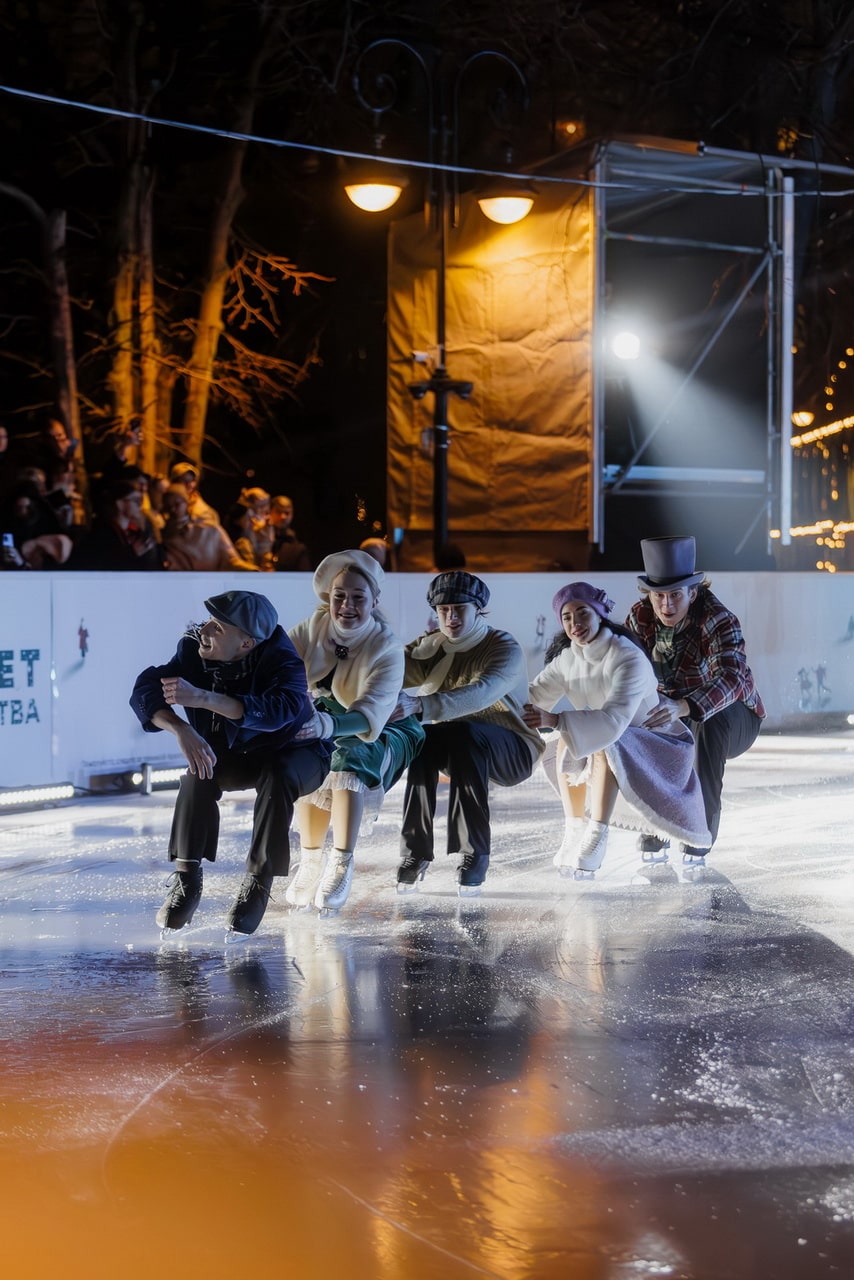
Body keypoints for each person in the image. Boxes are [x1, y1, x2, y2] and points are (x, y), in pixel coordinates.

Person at [130, 590, 331, 936]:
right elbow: (145, 688)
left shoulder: (283, 660)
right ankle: (186, 877)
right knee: (198, 771)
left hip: (299, 753)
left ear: (246, 643)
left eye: (218, 628)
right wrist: (180, 729)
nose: (205, 630)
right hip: (241, 754)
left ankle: (258, 881)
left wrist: (204, 698)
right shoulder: (193, 651)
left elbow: (276, 713)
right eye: (208, 621)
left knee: (277, 775)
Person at [524, 582, 710, 877]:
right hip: (617, 739)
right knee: (564, 740)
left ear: (599, 614)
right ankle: (574, 829)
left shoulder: (627, 657)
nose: (575, 624)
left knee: (598, 741)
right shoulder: (568, 659)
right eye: (567, 617)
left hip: (658, 745)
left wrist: (557, 719)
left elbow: (613, 722)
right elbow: (533, 697)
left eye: (582, 613)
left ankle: (596, 835)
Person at [286, 550, 424, 914]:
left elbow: (370, 713)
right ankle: (311, 859)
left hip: (384, 727)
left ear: (374, 601)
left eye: (357, 597)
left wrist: (325, 725)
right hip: (325, 717)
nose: (347, 605)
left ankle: (341, 863)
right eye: (339, 596)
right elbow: (281, 666)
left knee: (347, 761)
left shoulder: (386, 646)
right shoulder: (311, 628)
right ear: (327, 598)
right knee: (305, 759)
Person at [391, 571, 544, 895]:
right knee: (422, 739)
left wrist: (421, 705)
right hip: (462, 745)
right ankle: (415, 852)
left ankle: (474, 853)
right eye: (444, 610)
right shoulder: (432, 646)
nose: (451, 616)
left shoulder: (502, 646)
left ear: (478, 610)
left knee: (464, 732)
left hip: (513, 748)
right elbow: (389, 670)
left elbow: (482, 692)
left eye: (460, 608)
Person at [625, 536, 766, 864]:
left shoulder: (718, 619)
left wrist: (685, 706)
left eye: (675, 595)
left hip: (734, 719)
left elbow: (732, 678)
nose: (666, 606)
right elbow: (624, 670)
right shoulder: (640, 617)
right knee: (642, 721)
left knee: (709, 721)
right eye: (659, 596)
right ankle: (658, 822)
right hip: (673, 713)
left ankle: (697, 830)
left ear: (693, 591)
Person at [160, 485, 258, 571]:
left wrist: (251, 571)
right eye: (168, 505)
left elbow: (231, 560)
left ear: (186, 502)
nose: (172, 509)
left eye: (177, 504)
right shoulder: (163, 536)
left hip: (212, 584)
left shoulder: (210, 529)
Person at [169, 461, 221, 526]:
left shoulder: (202, 511)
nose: (189, 485)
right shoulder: (164, 503)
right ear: (173, 482)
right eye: (184, 480)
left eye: (192, 480)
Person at [270, 494, 312, 571]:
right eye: (278, 511)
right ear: (270, 512)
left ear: (292, 514)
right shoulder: (258, 540)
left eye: (287, 513)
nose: (283, 517)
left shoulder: (297, 548)